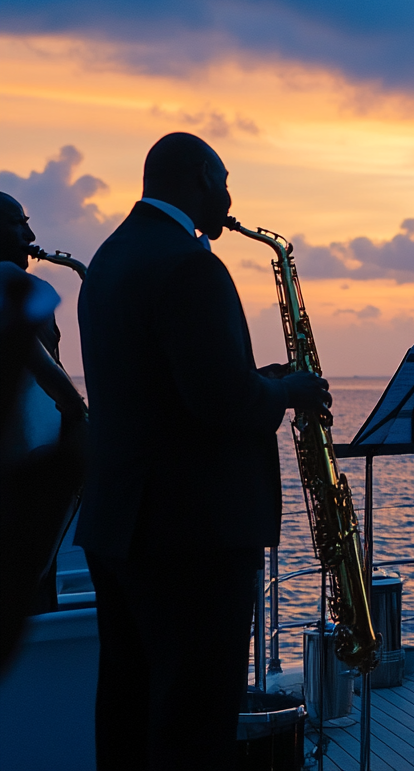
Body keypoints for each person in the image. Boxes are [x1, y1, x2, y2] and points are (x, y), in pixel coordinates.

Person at [75, 133, 330, 770]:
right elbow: (220, 404)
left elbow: (165, 385)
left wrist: (261, 378)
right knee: (194, 722)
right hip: (192, 535)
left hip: (121, 524)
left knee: (129, 710)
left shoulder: (110, 257)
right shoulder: (190, 264)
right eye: (223, 182)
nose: (229, 199)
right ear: (196, 179)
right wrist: (289, 389)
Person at [0, 193, 86, 643]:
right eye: (19, 224)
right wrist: (79, 412)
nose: (31, 238)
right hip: (23, 471)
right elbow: (41, 364)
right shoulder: (7, 278)